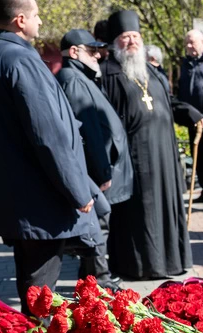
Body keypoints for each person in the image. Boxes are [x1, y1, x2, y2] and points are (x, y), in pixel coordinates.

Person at [0, 0, 98, 314]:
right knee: (40, 292)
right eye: (36, 15)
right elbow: (48, 133)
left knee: (30, 280)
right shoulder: (19, 59)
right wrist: (77, 189)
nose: (40, 22)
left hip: (15, 191)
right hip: (40, 196)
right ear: (20, 19)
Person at [101, 10, 203, 278]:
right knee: (142, 211)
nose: (132, 41)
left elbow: (167, 102)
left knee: (166, 207)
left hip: (164, 155)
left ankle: (170, 262)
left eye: (136, 36)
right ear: (115, 42)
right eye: (126, 37)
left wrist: (190, 112)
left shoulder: (152, 73)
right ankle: (142, 266)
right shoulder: (108, 75)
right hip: (136, 159)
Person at [57, 28, 135, 291]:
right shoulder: (73, 79)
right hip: (95, 173)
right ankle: (99, 282)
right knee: (98, 225)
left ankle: (94, 278)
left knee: (100, 224)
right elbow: (87, 130)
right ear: (74, 52)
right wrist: (101, 171)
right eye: (92, 51)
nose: (98, 56)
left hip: (99, 169)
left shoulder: (80, 77)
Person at [179, 29, 203, 203]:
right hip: (192, 118)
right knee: (198, 156)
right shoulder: (186, 63)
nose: (188, 46)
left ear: (202, 42)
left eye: (192, 42)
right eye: (186, 42)